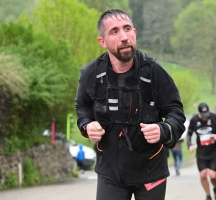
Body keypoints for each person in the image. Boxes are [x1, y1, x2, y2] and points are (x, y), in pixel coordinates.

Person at [75, 9, 185, 200]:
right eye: (114, 31)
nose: (124, 37)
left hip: (151, 169)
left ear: (135, 33)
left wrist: (163, 129)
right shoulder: (91, 74)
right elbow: (82, 107)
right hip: (110, 170)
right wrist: (87, 125)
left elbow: (176, 112)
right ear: (102, 42)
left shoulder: (154, 71)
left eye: (127, 29)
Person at [186, 103, 216, 200]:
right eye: (203, 115)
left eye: (207, 114)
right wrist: (189, 145)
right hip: (201, 152)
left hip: (214, 151)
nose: (205, 117)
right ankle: (208, 195)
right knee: (203, 174)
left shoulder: (215, 118)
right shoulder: (194, 120)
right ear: (199, 113)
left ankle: (215, 188)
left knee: (213, 175)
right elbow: (189, 134)